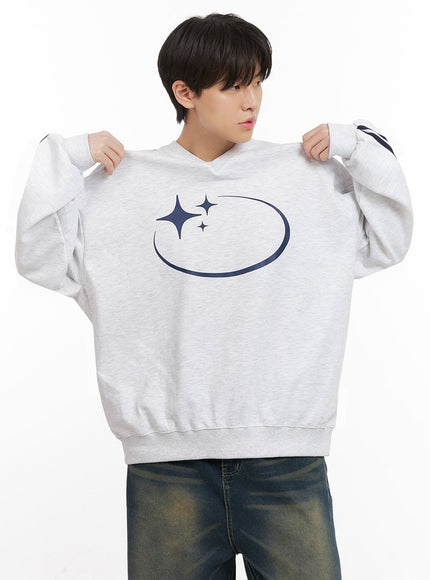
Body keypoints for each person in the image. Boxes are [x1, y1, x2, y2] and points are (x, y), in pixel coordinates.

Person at [15, 12, 413, 580]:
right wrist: (65, 156)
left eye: (258, 83)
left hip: (287, 456)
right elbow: (39, 257)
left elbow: (390, 238)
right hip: (167, 465)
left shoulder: (308, 177)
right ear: (185, 93)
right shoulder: (117, 190)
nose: (252, 101)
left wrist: (358, 146)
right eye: (233, 86)